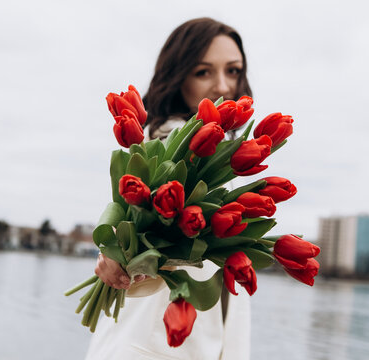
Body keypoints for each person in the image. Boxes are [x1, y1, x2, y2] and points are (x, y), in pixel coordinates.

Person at [85, 18, 253, 360]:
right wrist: (115, 256)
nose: (223, 85)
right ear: (178, 76)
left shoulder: (219, 159)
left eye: (233, 71)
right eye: (203, 72)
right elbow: (133, 238)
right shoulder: (168, 151)